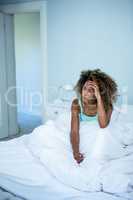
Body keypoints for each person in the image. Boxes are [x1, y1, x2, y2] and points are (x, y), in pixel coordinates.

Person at [70, 69, 118, 164]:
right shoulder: (76, 103)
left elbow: (103, 125)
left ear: (99, 92)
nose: (85, 93)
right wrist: (76, 152)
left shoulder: (108, 105)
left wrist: (99, 98)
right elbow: (74, 131)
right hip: (85, 138)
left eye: (91, 90)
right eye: (84, 88)